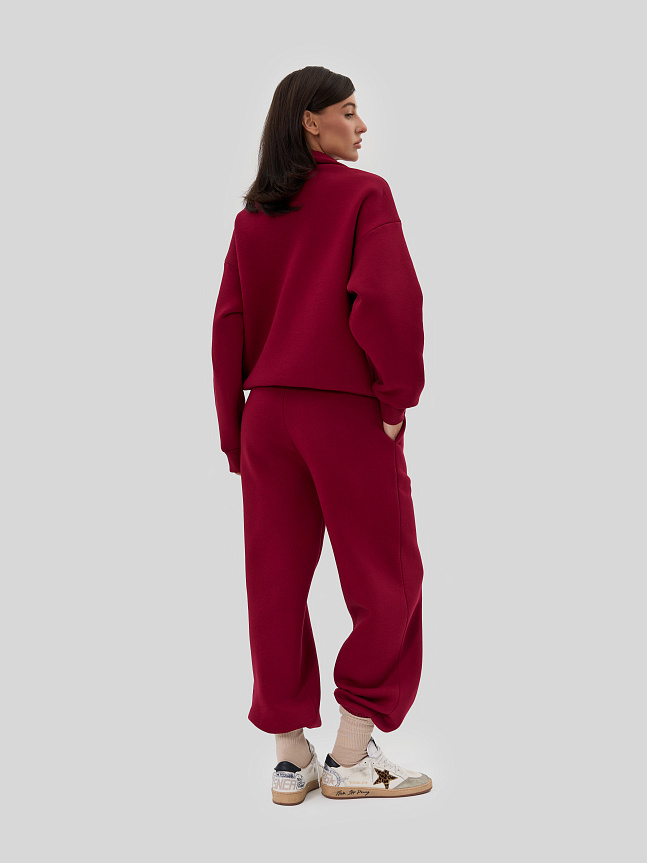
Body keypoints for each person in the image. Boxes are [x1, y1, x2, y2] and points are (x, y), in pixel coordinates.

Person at [211, 65, 431, 804]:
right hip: (341, 411)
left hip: (266, 415)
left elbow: (229, 325)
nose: (361, 125)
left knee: (273, 581)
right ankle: (350, 753)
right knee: (387, 577)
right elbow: (387, 300)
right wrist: (396, 398)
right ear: (311, 120)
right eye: (348, 110)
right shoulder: (363, 196)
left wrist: (234, 431)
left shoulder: (253, 218)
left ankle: (288, 756)